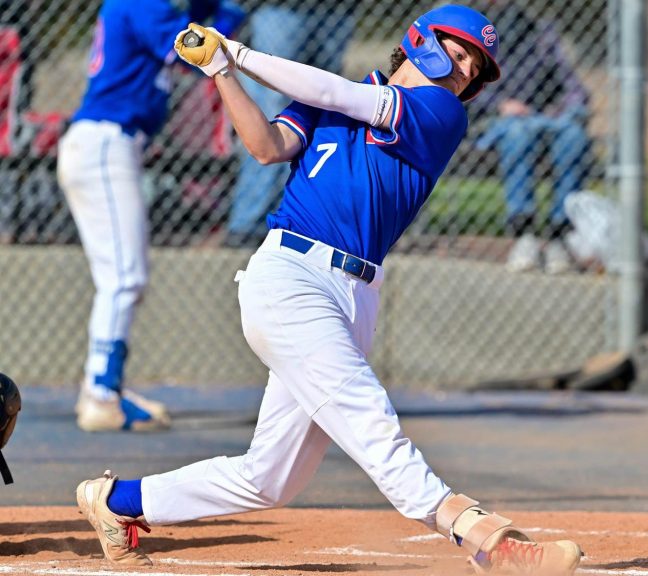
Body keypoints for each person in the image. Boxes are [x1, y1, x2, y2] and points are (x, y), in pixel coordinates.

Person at [74, 5, 583, 574]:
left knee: (270, 479)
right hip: (291, 279)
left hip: (355, 295)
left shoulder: (438, 112)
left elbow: (340, 96)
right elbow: (266, 146)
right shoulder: (331, 94)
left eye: (476, 66)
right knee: (368, 416)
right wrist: (221, 71)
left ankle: (118, 502)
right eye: (460, 52)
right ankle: (483, 537)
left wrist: (236, 52)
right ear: (423, 40)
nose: (465, 70)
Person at [56, 0, 245, 432]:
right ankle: (102, 394)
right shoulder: (141, 2)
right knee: (123, 277)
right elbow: (195, 52)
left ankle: (102, 388)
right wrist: (223, 13)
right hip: (105, 142)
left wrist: (211, 11)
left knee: (122, 277)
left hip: (107, 144)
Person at [223, 1, 358, 248]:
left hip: (337, 9)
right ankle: (249, 222)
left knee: (327, 110)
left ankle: (304, 220)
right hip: (280, 7)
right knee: (273, 109)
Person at [473, 0, 590, 274]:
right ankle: (524, 234)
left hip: (539, 117)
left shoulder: (539, 32)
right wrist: (500, 104)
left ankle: (558, 235)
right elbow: (461, 84)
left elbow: (574, 88)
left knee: (573, 135)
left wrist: (567, 110)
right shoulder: (474, 29)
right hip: (493, 120)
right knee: (518, 132)